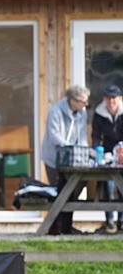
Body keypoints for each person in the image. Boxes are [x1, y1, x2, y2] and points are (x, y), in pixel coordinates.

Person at [40, 84, 90, 235]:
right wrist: (70, 148)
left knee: (72, 192)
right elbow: (55, 136)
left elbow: (81, 136)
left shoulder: (82, 112)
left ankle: (67, 227)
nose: (85, 105)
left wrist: (83, 152)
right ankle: (54, 228)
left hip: (73, 159)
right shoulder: (55, 111)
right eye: (83, 102)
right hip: (54, 158)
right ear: (73, 101)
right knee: (59, 193)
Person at [92, 84, 123, 233]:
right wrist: (97, 151)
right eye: (108, 98)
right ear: (104, 99)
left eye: (114, 98)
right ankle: (109, 221)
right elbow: (96, 135)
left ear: (119, 98)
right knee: (107, 186)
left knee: (122, 186)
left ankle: (121, 221)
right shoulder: (99, 113)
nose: (111, 101)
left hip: (122, 151)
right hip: (107, 151)